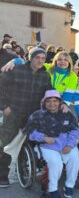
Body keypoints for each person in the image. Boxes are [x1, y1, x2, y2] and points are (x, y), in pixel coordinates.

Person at [0, 47, 52, 187]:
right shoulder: (16, 70)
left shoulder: (45, 75)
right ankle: (2, 175)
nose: (40, 61)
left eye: (43, 58)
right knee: (6, 144)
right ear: (31, 58)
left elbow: (50, 93)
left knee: (29, 143)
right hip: (14, 114)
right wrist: (4, 106)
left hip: (32, 116)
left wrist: (62, 104)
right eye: (37, 57)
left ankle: (23, 170)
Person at [26, 90, 79, 198]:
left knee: (75, 159)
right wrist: (44, 138)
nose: (52, 104)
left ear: (60, 102)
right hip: (47, 145)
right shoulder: (37, 115)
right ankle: (53, 189)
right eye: (49, 101)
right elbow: (29, 131)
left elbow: (75, 130)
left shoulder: (67, 114)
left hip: (65, 144)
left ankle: (69, 186)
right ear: (44, 102)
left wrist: (70, 145)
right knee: (56, 163)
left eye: (55, 101)